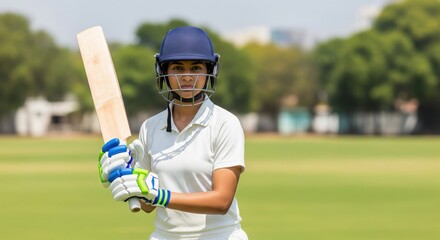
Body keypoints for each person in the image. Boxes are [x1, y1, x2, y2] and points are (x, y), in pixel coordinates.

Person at [98, 26, 248, 240]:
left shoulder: (225, 123)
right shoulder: (150, 127)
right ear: (163, 71)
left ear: (210, 71)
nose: (187, 77)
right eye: (178, 68)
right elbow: (146, 205)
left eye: (196, 68)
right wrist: (122, 176)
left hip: (219, 235)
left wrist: (161, 196)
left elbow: (221, 201)